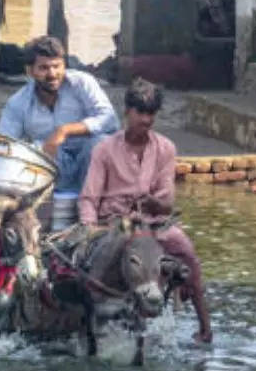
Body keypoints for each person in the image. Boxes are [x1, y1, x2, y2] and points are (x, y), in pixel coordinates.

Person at [78, 78, 213, 344]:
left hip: (155, 225)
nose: (146, 120)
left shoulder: (165, 149)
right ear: (127, 111)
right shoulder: (104, 150)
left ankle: (204, 325)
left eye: (151, 113)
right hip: (116, 224)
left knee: (187, 252)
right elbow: (89, 197)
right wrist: (89, 228)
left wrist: (152, 203)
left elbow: (167, 203)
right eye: (140, 112)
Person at [0, 36, 119, 192]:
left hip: (89, 160)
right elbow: (3, 143)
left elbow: (110, 120)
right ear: (30, 71)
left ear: (64, 65)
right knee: (32, 152)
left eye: (57, 66)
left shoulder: (82, 83)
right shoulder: (18, 102)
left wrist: (65, 130)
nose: (52, 74)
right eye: (44, 68)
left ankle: (95, 207)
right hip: (54, 168)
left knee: (101, 143)